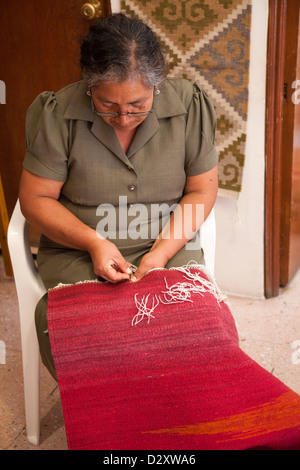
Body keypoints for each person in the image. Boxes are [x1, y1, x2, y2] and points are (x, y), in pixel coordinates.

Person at [19, 13, 218, 379]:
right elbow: (35, 199)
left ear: (157, 86)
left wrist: (160, 254)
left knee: (197, 330)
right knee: (94, 339)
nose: (124, 118)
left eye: (137, 105)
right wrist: (95, 243)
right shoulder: (59, 113)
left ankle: (179, 421)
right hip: (78, 247)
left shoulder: (189, 106)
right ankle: (117, 424)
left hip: (167, 241)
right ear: (89, 85)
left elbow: (201, 189)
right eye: (108, 105)